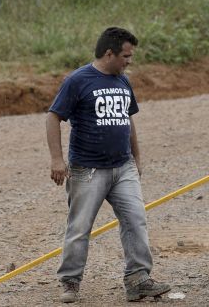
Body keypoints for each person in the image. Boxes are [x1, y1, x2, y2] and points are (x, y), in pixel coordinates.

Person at [46, 26, 170, 303]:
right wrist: (57, 159)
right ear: (109, 53)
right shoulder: (78, 80)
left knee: (135, 220)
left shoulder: (123, 81)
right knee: (79, 228)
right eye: (126, 55)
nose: (129, 61)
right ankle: (70, 281)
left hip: (122, 167)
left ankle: (138, 279)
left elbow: (128, 119)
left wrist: (136, 158)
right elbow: (53, 117)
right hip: (87, 170)